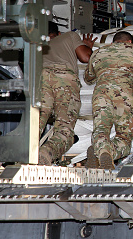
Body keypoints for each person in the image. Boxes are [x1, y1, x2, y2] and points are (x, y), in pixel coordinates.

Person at [83, 31, 133, 170]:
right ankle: (108, 152)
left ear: (112, 42)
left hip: (101, 95)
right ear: (130, 42)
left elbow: (88, 79)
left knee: (101, 130)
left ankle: (100, 150)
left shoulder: (99, 52)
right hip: (124, 97)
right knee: (124, 136)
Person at [38, 22, 95, 165]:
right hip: (64, 82)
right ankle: (46, 153)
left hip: (41, 80)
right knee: (64, 126)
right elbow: (86, 57)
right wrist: (87, 47)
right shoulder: (69, 36)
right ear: (58, 33)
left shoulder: (35, 45)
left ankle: (22, 155)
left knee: (36, 122)